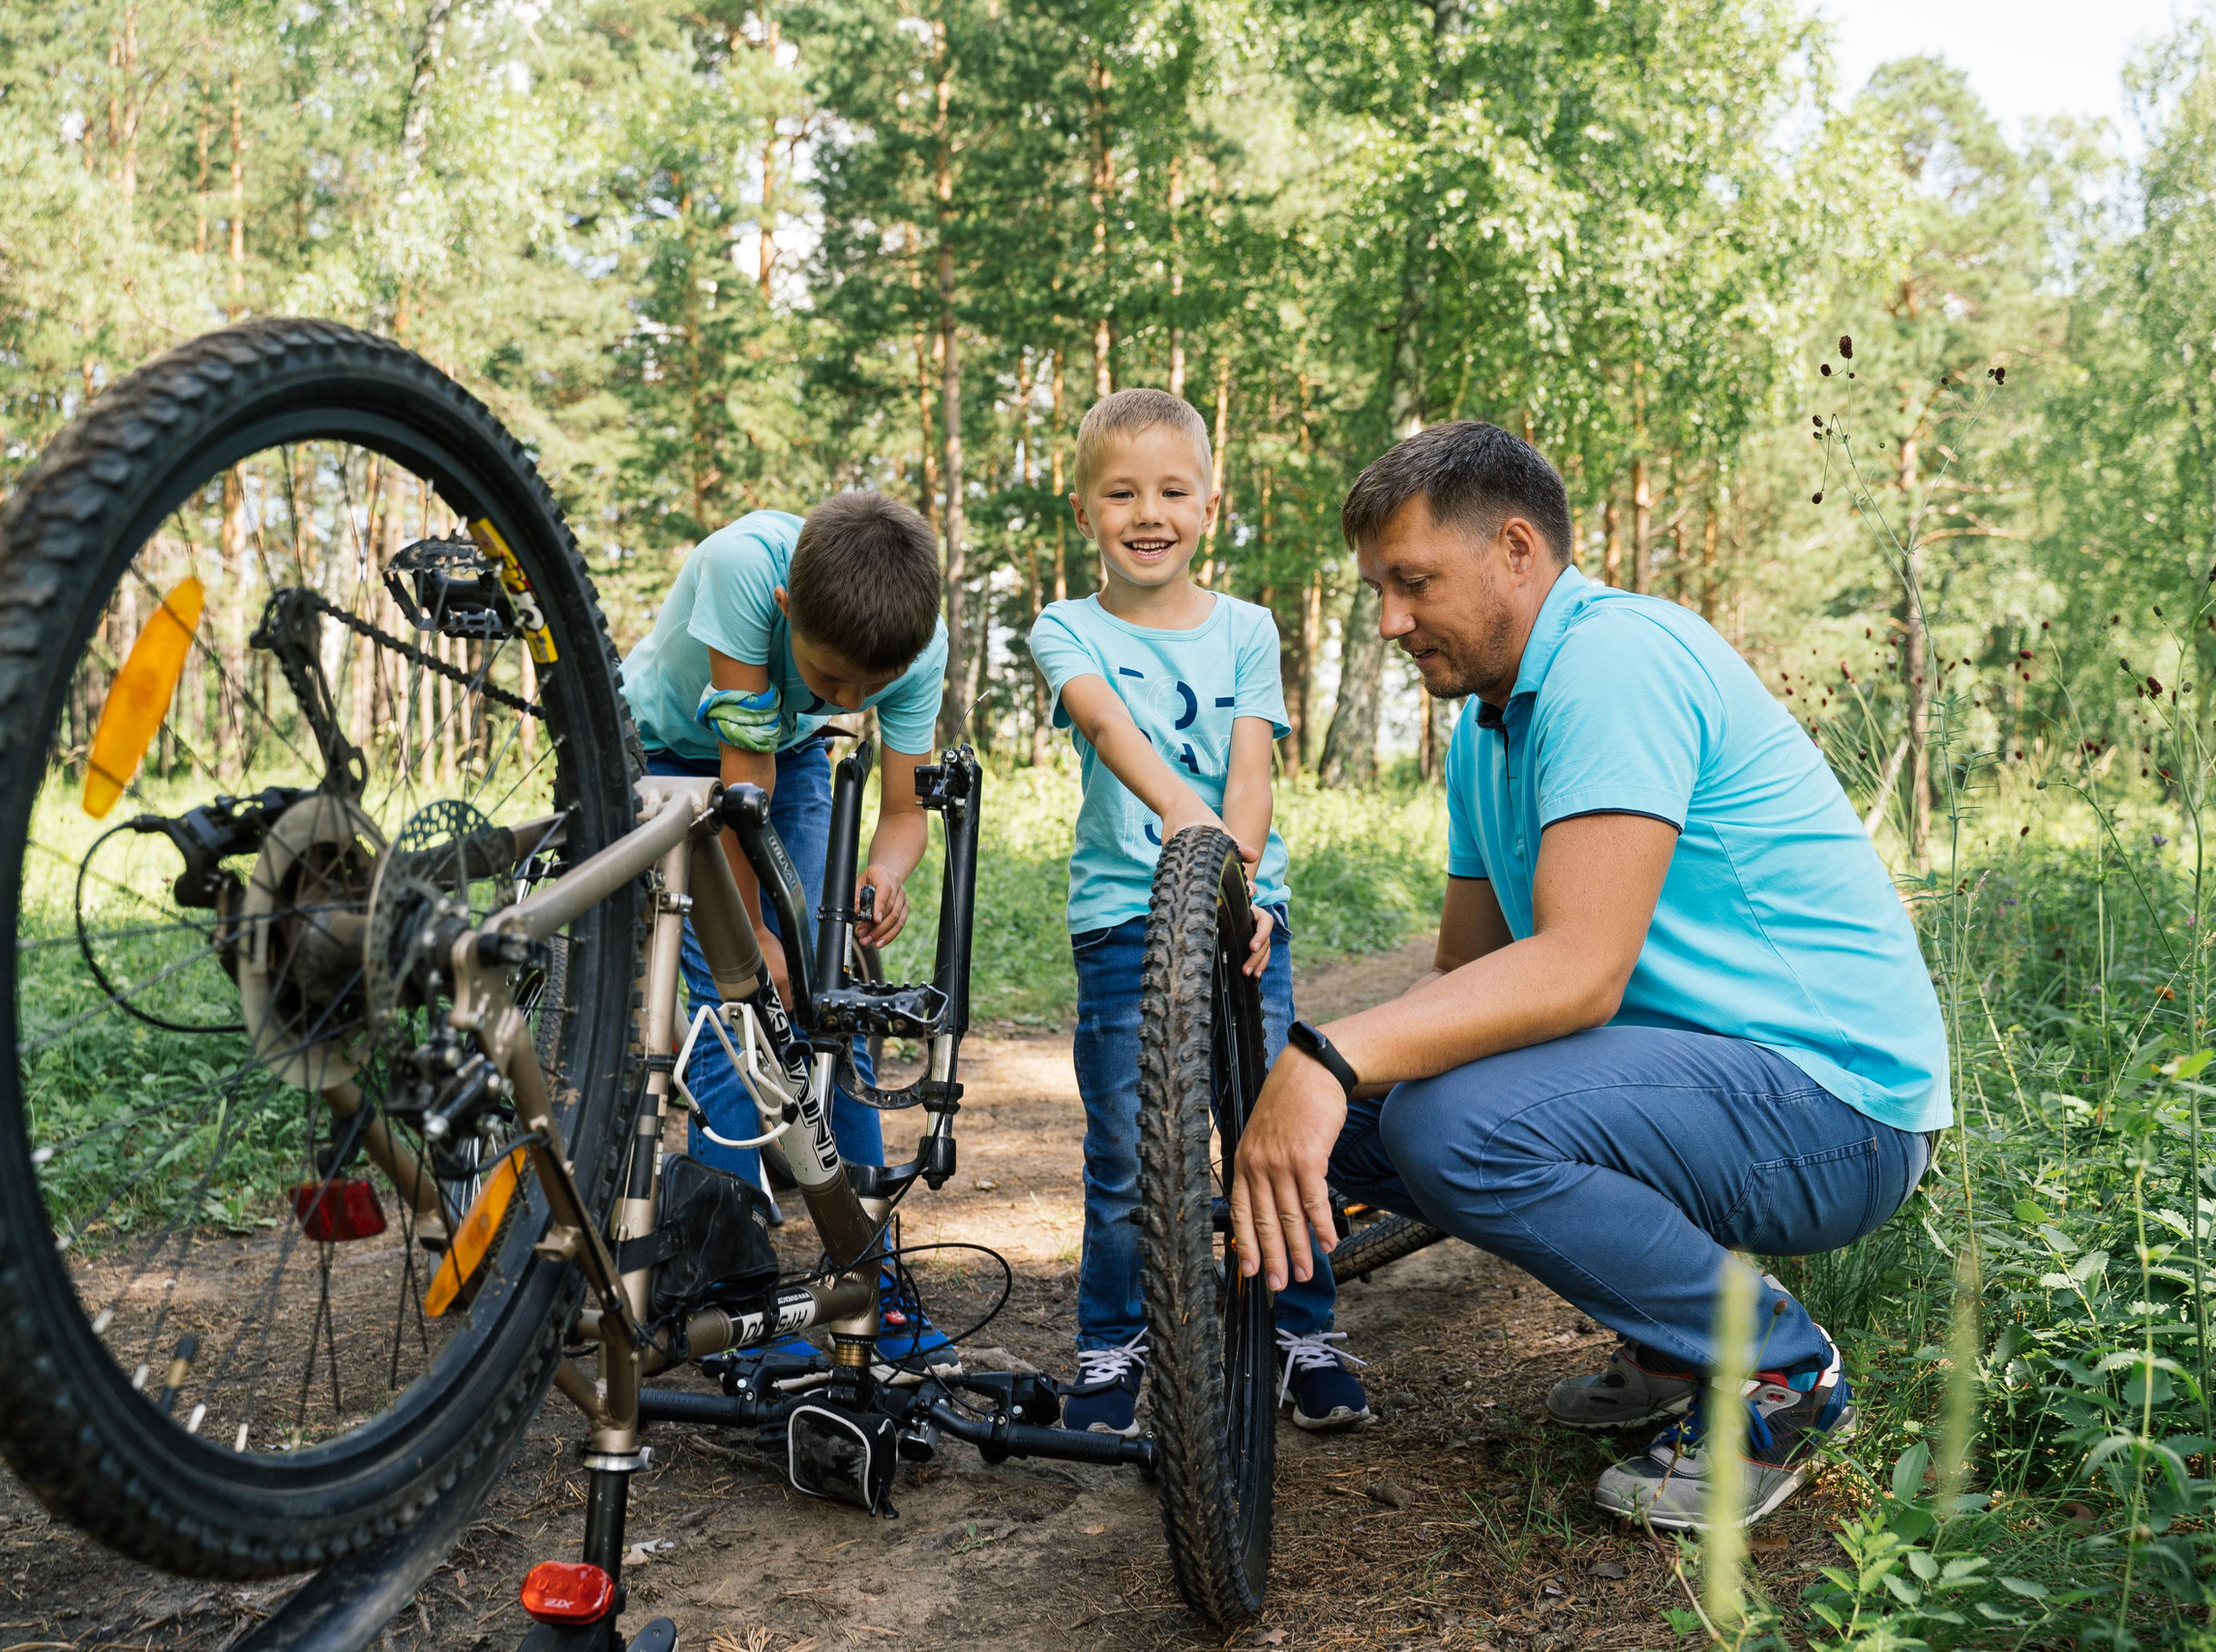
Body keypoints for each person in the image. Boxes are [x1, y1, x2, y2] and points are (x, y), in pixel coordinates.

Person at [1229, 421, 1948, 1528]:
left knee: (1448, 1125)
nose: (1388, 621)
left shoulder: (1615, 661)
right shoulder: (1485, 725)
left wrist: (1325, 1058)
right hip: (1705, 1085)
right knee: (1370, 1114)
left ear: (1516, 548)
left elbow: (1575, 974)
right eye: (1377, 589)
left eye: (1412, 582)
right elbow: (1468, 975)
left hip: (1837, 1105)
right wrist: (1307, 1096)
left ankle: (1779, 1373)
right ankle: (1673, 1353)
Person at [1028, 388, 1371, 1437]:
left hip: (1243, 917)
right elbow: (1106, 724)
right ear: (1084, 511)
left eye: (1172, 491)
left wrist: (1246, 885)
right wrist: (1185, 816)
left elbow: (1253, 771)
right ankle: (1112, 1348)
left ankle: (1297, 1331)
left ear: (1209, 506)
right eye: (1121, 492)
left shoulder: (1249, 629)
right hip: (1123, 921)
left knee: (1268, 1128)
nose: (1148, 512)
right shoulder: (1062, 627)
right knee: (1129, 1147)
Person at [618, 492, 953, 1368]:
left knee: (832, 992)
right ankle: (730, 1296)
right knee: (738, 1005)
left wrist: (881, 874)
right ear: (786, 612)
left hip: (785, 755)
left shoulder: (910, 642)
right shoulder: (743, 569)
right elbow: (737, 787)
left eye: (867, 691)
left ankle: (870, 1282)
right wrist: (758, 936)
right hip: (666, 754)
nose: (847, 698)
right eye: (831, 676)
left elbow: (905, 811)